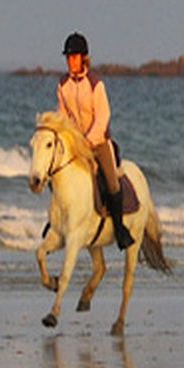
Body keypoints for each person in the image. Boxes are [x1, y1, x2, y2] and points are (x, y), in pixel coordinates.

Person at [56, 32, 134, 250]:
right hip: (76, 144)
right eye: (68, 57)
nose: (70, 61)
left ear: (84, 58)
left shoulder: (96, 84)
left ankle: (120, 229)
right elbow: (63, 117)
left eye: (74, 57)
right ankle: (58, 221)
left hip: (98, 143)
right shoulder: (62, 85)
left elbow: (103, 117)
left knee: (111, 181)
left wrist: (89, 141)